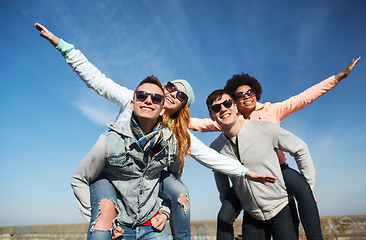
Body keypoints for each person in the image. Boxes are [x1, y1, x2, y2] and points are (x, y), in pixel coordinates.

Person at [35, 23, 277, 239]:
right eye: (171, 87)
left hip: (148, 178)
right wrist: (64, 47)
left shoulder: (177, 134)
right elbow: (98, 81)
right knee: (104, 218)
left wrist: (244, 172)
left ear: (183, 105)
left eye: (180, 94)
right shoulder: (139, 100)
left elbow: (209, 157)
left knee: (180, 190)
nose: (173, 93)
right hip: (115, 172)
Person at [189, 57, 360, 240]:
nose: (246, 96)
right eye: (240, 95)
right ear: (235, 102)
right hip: (244, 177)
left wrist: (338, 77)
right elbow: (200, 125)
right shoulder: (227, 121)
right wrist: (169, 118)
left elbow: (304, 98)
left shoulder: (271, 112)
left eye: (250, 92)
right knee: (225, 213)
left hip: (277, 168)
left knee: (304, 190)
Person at [71, 76, 181, 239]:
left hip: (152, 227)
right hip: (119, 229)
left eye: (156, 98)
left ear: (162, 109)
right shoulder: (109, 141)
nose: (149, 101)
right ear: (132, 104)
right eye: (142, 96)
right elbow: (79, 179)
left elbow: (176, 179)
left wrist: (165, 211)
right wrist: (96, 217)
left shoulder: (171, 144)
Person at [207, 89, 316, 240]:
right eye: (216, 108)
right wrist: (230, 206)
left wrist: (309, 186)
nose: (223, 109)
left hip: (281, 209)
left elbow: (300, 148)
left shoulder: (264, 129)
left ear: (236, 107)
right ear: (211, 115)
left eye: (227, 103)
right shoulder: (215, 148)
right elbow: (219, 175)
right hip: (251, 215)